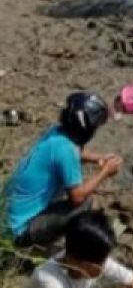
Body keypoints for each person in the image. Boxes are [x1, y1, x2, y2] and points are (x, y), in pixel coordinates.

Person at [4, 93, 121, 248]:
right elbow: (77, 197)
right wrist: (105, 172)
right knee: (84, 204)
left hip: (6, 216)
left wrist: (99, 158)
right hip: (19, 231)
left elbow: (75, 153)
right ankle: (68, 251)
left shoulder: (56, 133)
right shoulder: (67, 151)